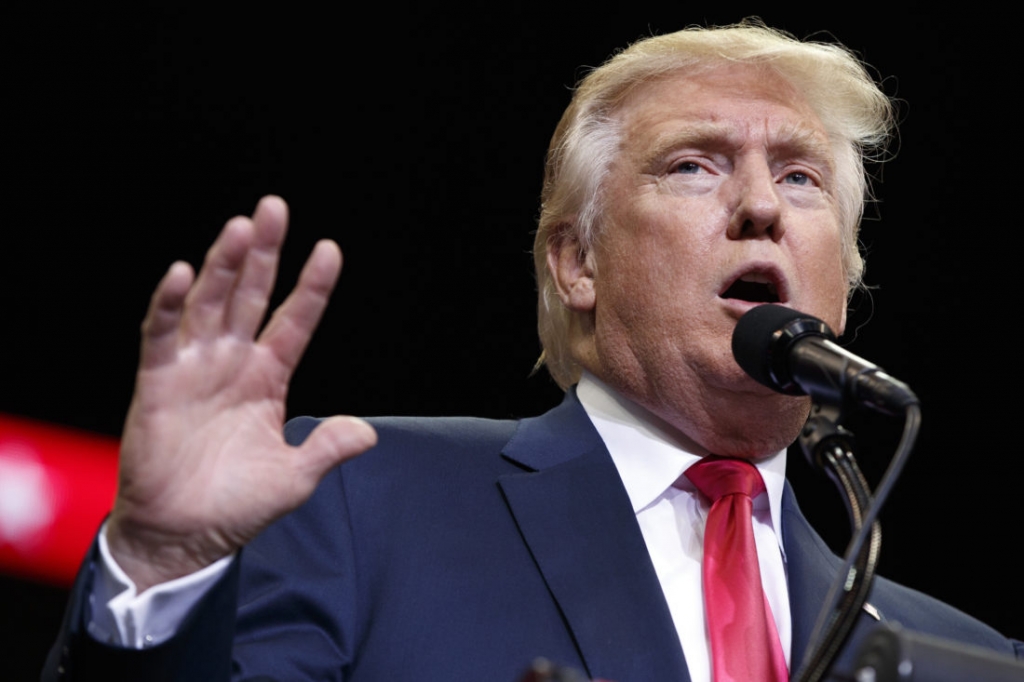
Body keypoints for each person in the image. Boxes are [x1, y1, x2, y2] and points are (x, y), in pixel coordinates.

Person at [44, 21, 1021, 682]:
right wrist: (162, 565)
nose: (761, 206)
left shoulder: (954, 658)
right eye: (695, 165)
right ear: (575, 261)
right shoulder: (360, 503)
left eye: (802, 178)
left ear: (840, 278)